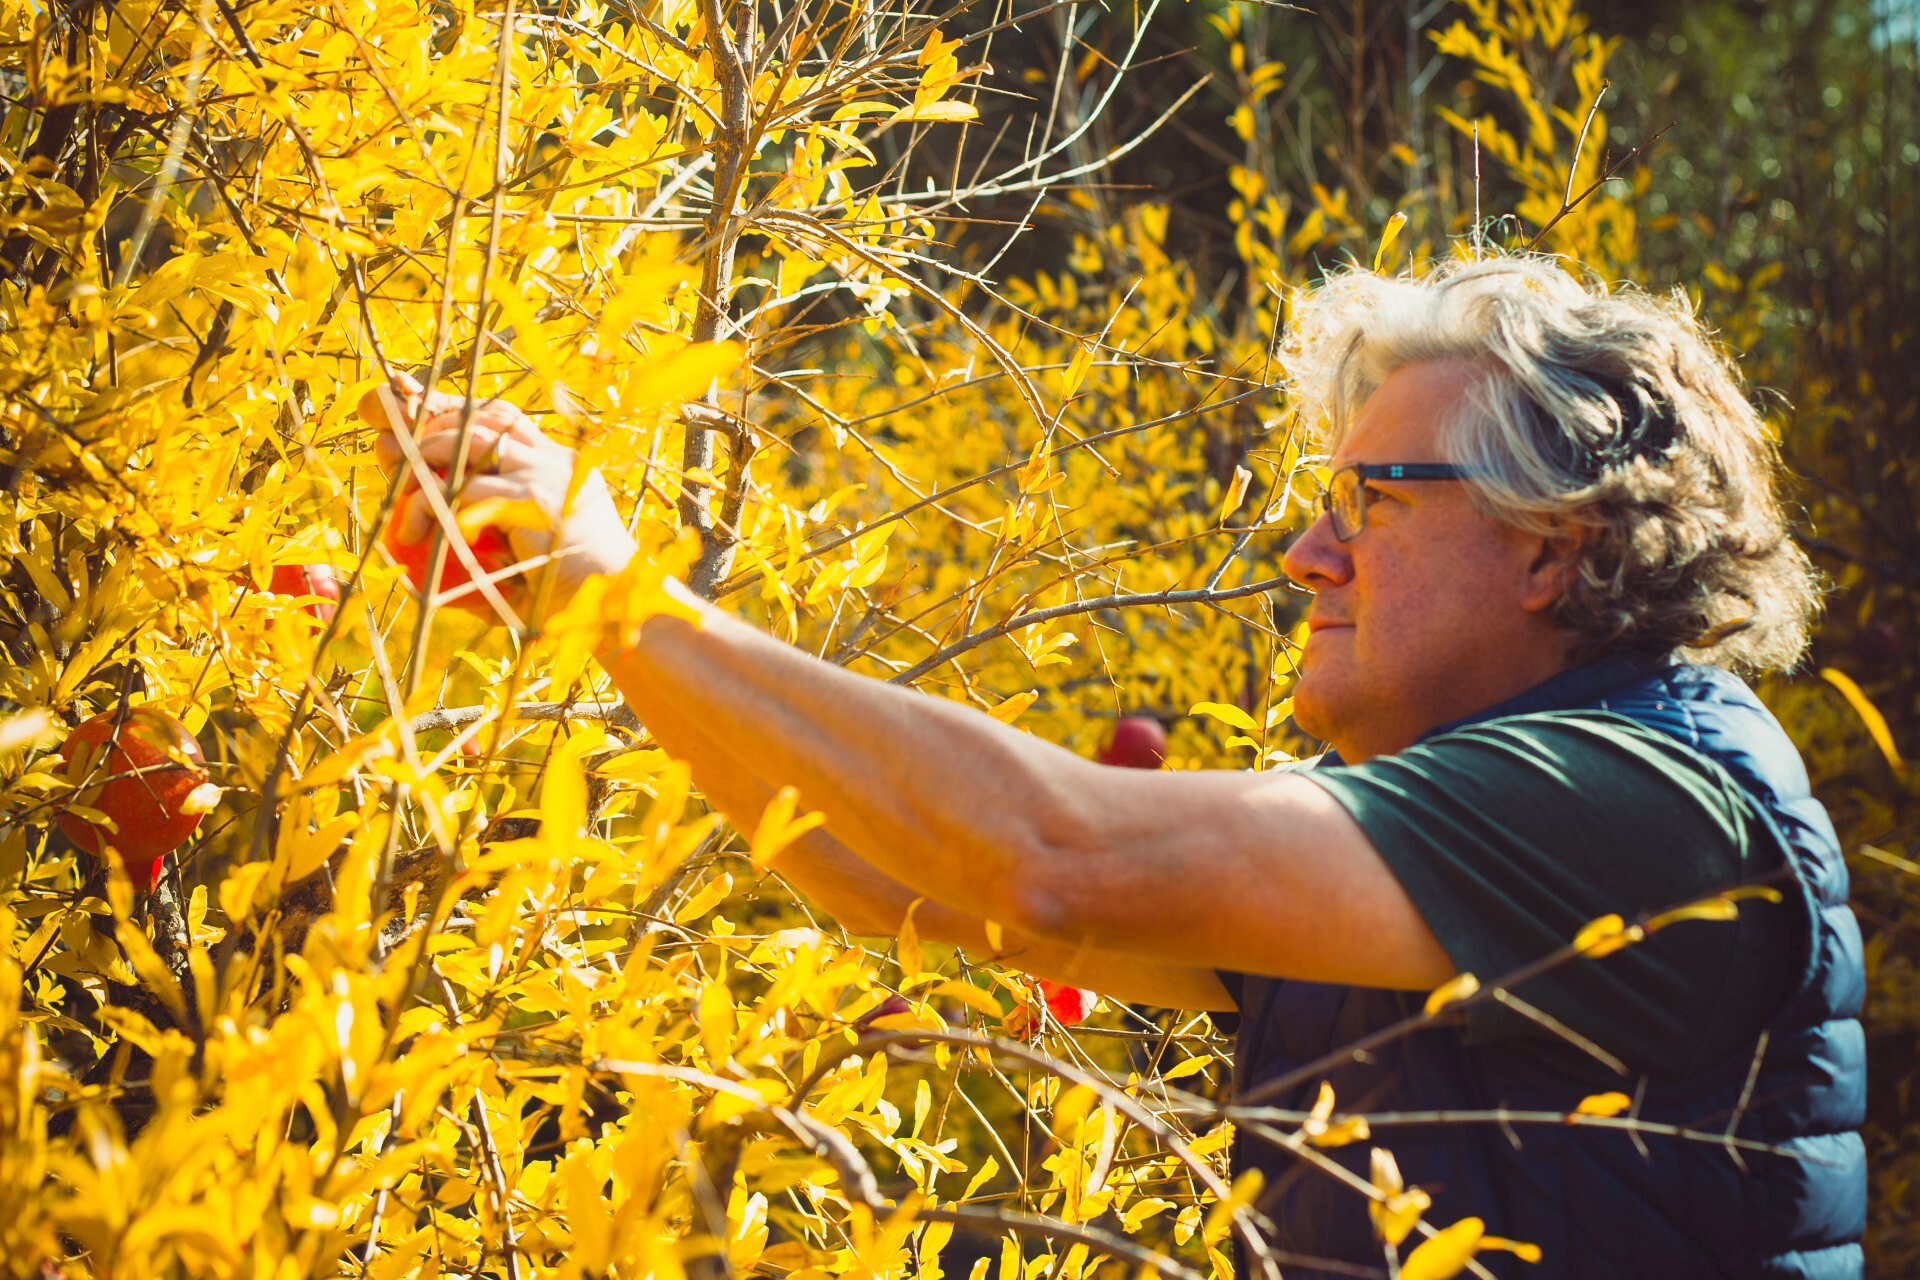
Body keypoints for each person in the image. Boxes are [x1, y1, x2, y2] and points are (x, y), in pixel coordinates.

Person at [364, 255, 1864, 1278]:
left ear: (1553, 546)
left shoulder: (1643, 800)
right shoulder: (1490, 812)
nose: (1305, 552)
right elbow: (887, 874)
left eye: (1371, 501)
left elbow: (1055, 858)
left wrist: (625, 593)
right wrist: (599, 634)